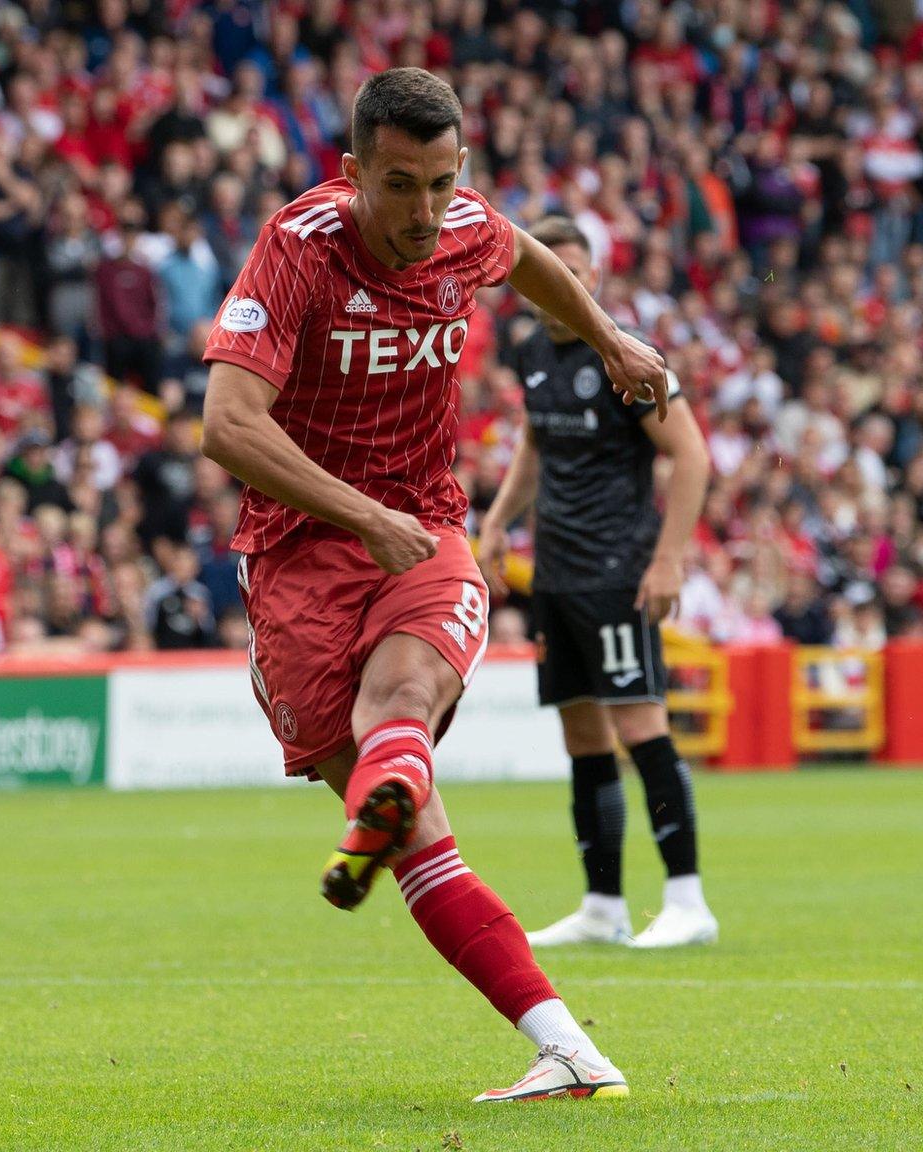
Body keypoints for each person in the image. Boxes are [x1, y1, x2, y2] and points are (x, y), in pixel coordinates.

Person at [200, 69, 669, 1102]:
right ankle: (567, 1049)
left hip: (425, 529)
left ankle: (388, 797)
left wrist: (606, 336)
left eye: (442, 184)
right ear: (353, 171)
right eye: (400, 186)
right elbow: (226, 425)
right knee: (412, 826)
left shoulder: (462, 225)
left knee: (399, 704)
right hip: (298, 556)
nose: (424, 214)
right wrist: (361, 518)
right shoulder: (296, 249)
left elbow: (528, 258)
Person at [475, 217, 718, 951]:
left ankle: (687, 900)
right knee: (582, 735)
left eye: (580, 272)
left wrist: (669, 558)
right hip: (556, 571)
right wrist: (495, 523)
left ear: (597, 279)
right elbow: (536, 446)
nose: (569, 284)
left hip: (618, 571)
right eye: (556, 271)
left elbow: (693, 456)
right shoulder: (530, 353)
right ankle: (603, 903)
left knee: (641, 728)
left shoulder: (629, 357)